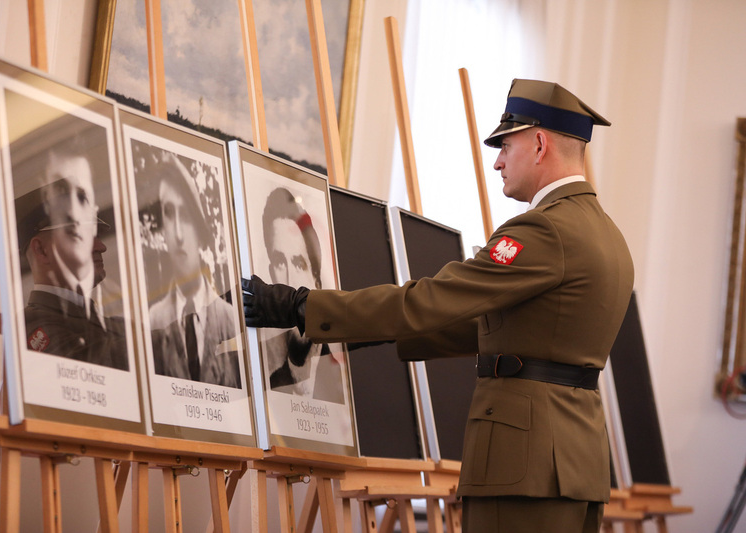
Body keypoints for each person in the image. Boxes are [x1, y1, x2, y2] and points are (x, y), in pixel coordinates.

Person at [242, 79, 634, 532]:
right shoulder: (609, 237)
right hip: (575, 464)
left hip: (523, 467)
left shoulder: (544, 231)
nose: (498, 161)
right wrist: (368, 332)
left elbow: (434, 300)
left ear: (540, 143)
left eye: (505, 145)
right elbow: (502, 328)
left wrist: (300, 306)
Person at [17, 138, 129, 370]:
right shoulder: (30, 326)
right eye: (80, 233)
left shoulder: (108, 324)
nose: (101, 247)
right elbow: (88, 365)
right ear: (41, 249)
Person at [147, 154, 241, 387]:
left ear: (200, 229)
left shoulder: (230, 322)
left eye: (186, 215)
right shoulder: (154, 322)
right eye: (169, 213)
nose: (178, 234)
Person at [259, 187, 343, 403]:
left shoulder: (341, 384)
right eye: (279, 262)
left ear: (316, 279)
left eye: (298, 263)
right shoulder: (265, 381)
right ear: (271, 274)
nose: (288, 280)